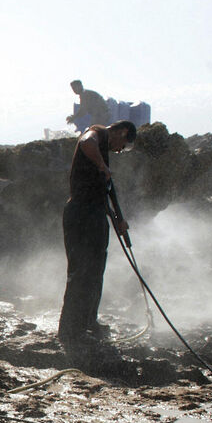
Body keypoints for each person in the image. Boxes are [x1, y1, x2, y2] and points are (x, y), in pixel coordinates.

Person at [57, 121, 137, 346]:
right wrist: (102, 165)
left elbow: (108, 187)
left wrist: (119, 219)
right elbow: (85, 142)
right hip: (81, 214)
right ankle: (70, 329)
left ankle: (88, 322)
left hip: (95, 215)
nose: (121, 150)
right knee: (80, 272)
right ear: (121, 132)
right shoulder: (97, 135)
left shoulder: (104, 148)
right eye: (124, 144)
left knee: (95, 271)